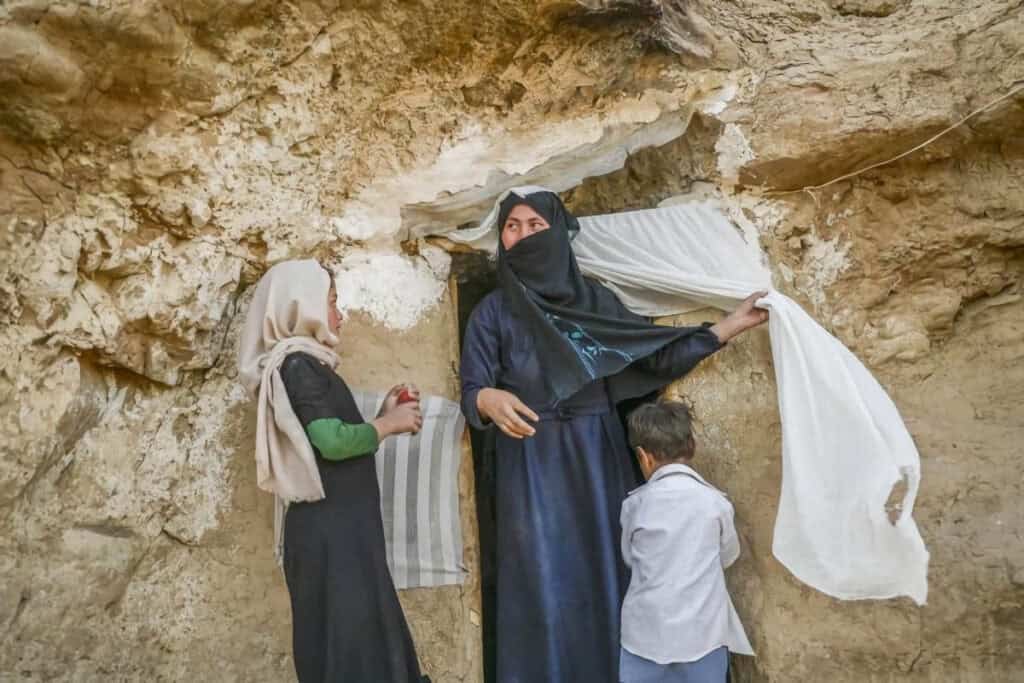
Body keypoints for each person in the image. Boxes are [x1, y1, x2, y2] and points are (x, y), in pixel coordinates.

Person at [459, 189, 767, 682]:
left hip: (595, 456)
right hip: (529, 464)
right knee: (539, 578)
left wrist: (727, 327)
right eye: (511, 226)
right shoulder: (494, 313)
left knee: (608, 569)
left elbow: (651, 356)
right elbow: (472, 386)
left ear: (558, 233)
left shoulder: (597, 301)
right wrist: (486, 400)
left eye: (535, 225)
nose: (522, 234)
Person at [238, 259, 430, 683]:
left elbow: (336, 444)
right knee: (351, 650)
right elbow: (332, 442)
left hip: (342, 532)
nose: (339, 315)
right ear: (300, 305)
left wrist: (382, 415)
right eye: (330, 302)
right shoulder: (298, 365)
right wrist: (388, 425)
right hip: (333, 535)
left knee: (360, 644)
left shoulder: (308, 367)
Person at [620, 400, 754, 683]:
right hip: (702, 637)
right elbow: (728, 555)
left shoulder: (635, 505)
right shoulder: (716, 503)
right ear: (691, 447)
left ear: (643, 457)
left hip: (645, 638)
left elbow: (629, 558)